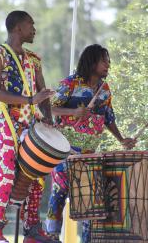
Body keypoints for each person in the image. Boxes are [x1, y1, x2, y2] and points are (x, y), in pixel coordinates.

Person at [45, 44, 136, 242]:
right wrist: (74, 112)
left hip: (88, 154)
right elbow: (50, 109)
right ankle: (51, 237)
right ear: (92, 61)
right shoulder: (70, 83)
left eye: (109, 61)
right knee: (59, 193)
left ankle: (87, 240)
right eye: (104, 60)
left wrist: (121, 140)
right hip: (64, 151)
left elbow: (109, 118)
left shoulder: (105, 90)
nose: (108, 65)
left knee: (89, 200)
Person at [0, 10, 60, 243]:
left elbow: (43, 94)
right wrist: (30, 101)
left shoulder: (34, 60)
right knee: (6, 175)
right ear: (18, 28)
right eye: (31, 24)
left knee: (37, 176)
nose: (34, 29)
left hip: (31, 125)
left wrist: (48, 118)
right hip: (6, 121)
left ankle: (32, 231)